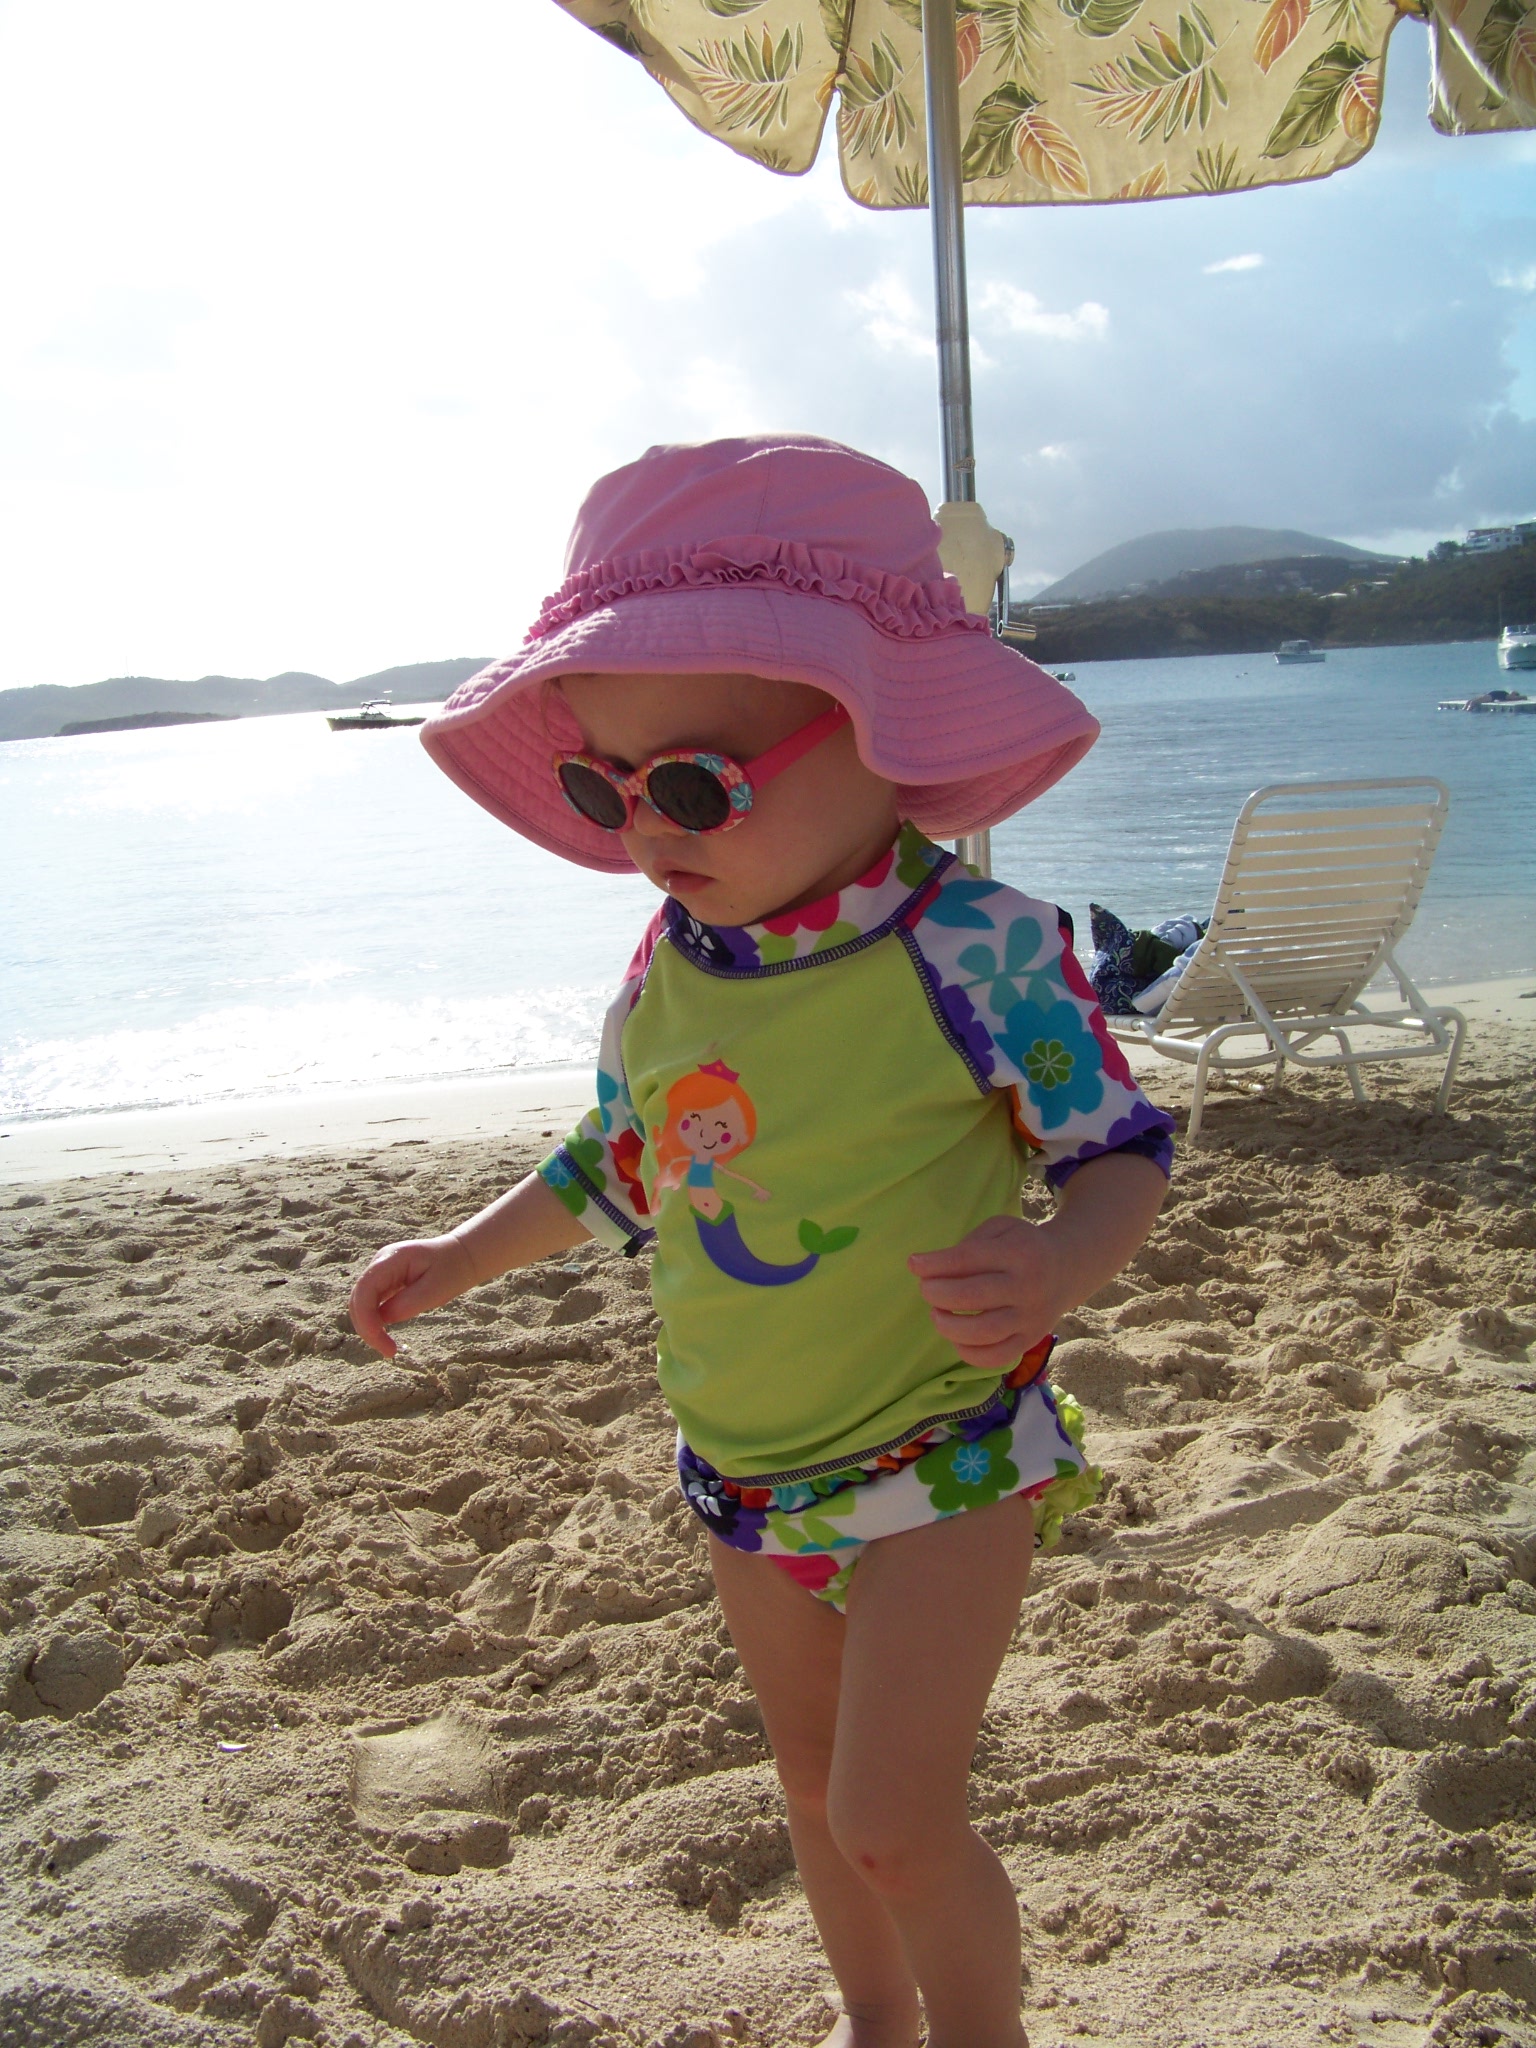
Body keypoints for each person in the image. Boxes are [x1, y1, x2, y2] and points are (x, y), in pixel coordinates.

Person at [349, 435, 1175, 2048]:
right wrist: (461, 1253)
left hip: (943, 1456)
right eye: (603, 787)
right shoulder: (669, 964)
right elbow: (622, 1160)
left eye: (692, 784)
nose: (643, 827)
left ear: (880, 729)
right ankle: (874, 2020)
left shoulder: (975, 948)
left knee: (894, 1820)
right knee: (807, 1790)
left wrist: (1059, 1262)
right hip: (742, 1471)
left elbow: (1120, 1149)